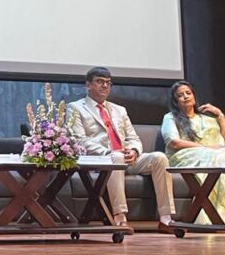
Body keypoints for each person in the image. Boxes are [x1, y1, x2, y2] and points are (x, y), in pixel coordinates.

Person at [67, 66, 176, 232]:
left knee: (159, 158)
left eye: (108, 83)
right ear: (88, 85)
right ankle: (120, 218)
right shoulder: (75, 108)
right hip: (101, 158)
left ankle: (166, 219)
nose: (105, 86)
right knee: (116, 158)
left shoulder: (119, 110)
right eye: (100, 82)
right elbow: (79, 140)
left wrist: (134, 151)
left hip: (125, 157)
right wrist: (108, 152)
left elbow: (133, 138)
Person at [162, 80, 225, 224]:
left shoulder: (208, 118)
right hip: (185, 155)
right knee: (217, 157)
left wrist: (220, 114)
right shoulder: (170, 117)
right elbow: (174, 142)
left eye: (188, 93)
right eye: (180, 95)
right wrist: (206, 148)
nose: (185, 97)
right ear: (175, 101)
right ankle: (218, 217)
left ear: (194, 96)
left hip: (215, 153)